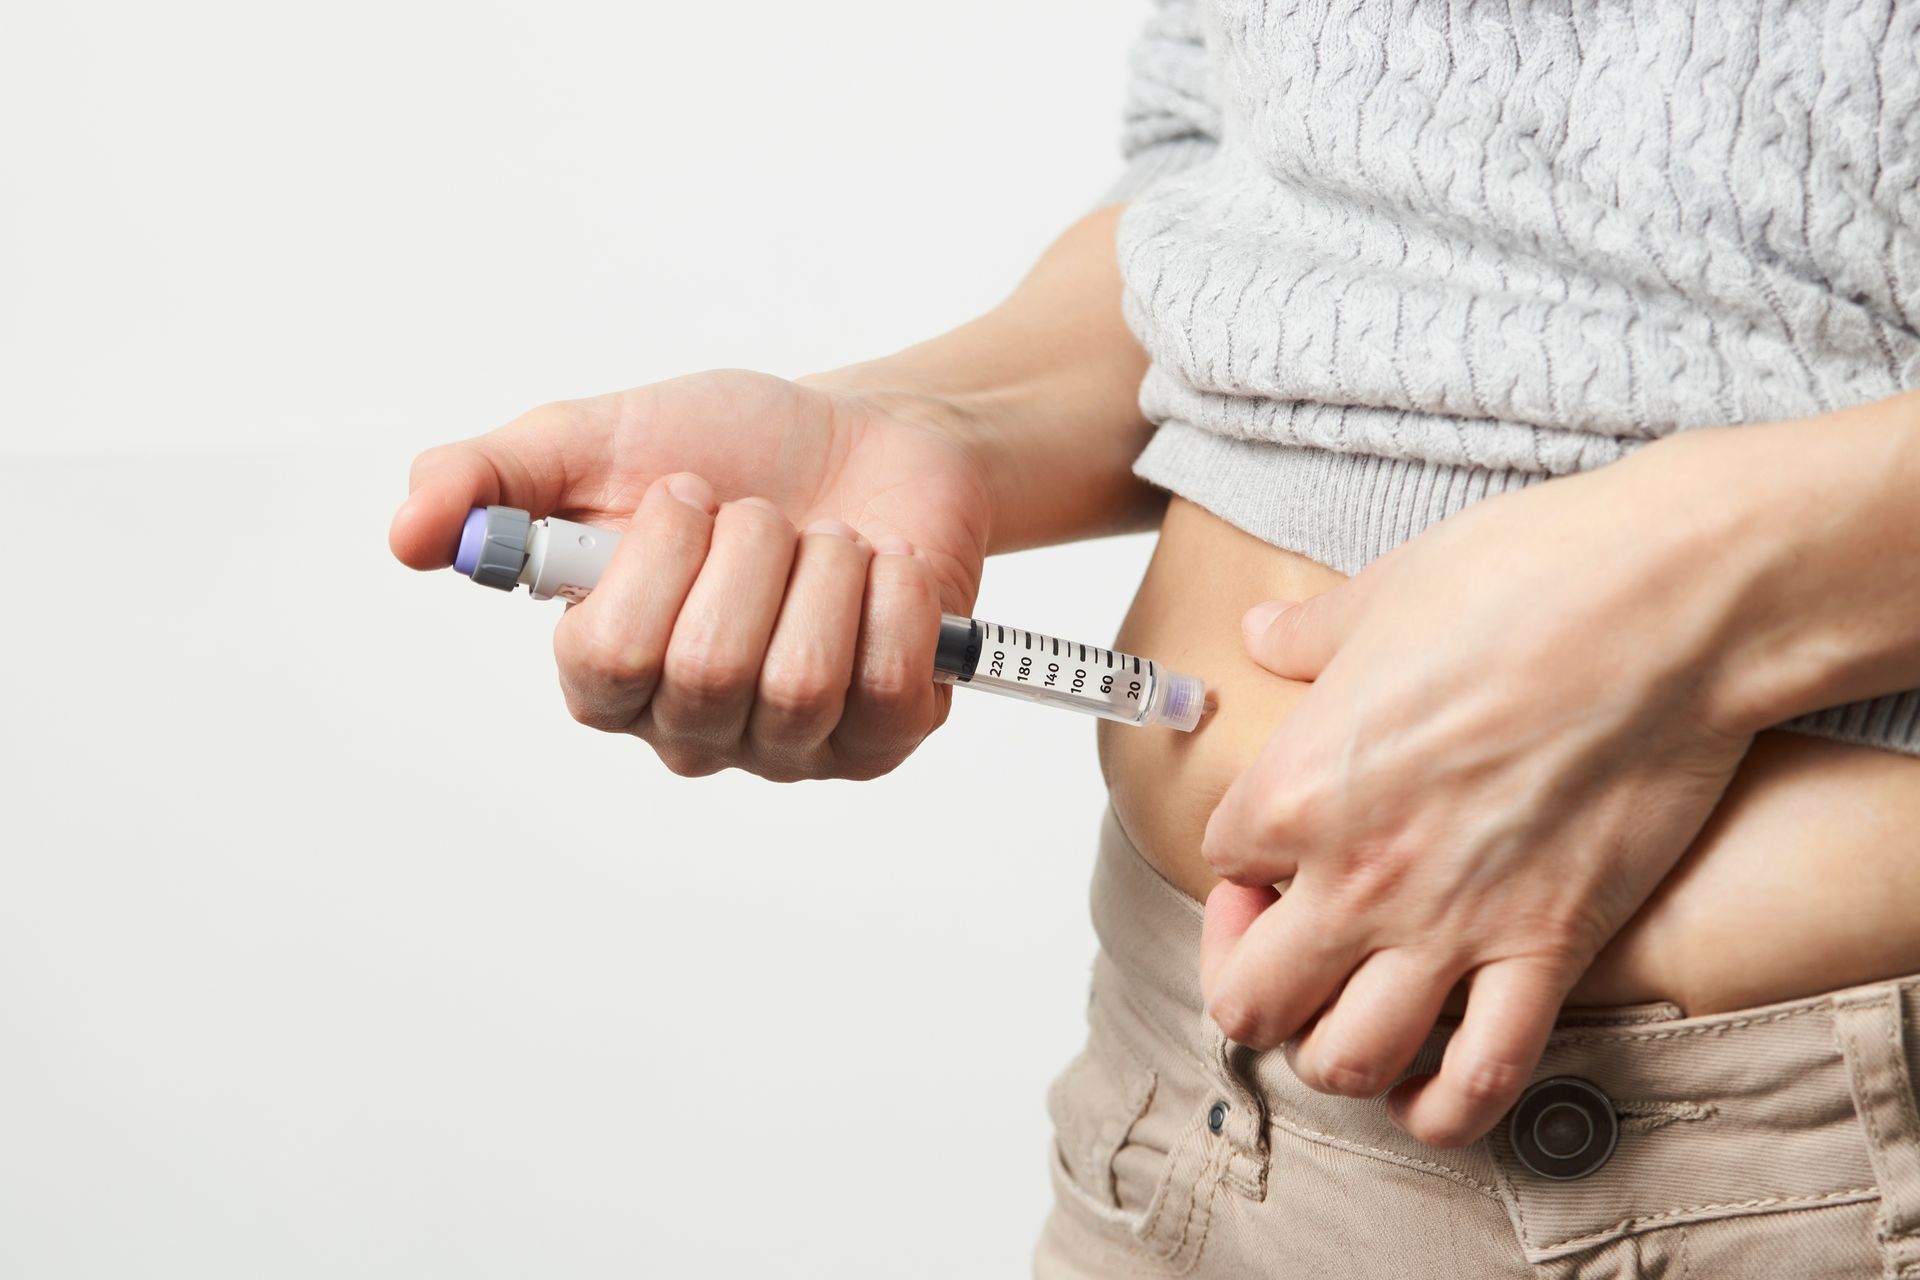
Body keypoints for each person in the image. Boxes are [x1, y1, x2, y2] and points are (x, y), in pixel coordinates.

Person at [390, 2, 1920, 1274]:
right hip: (1178, 1104)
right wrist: (930, 430)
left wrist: (1689, 610)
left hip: (1800, 1164)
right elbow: (1243, 196)